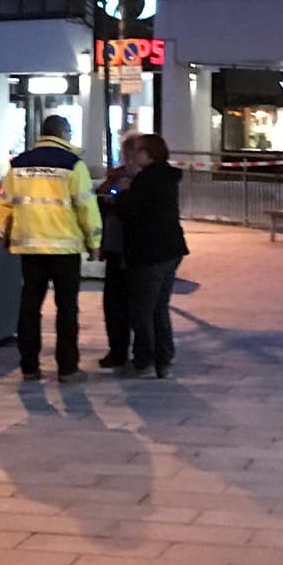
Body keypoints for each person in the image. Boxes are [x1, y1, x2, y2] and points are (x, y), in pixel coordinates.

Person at [0, 115, 101, 383]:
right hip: (64, 249)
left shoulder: (18, 165)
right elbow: (86, 207)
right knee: (67, 308)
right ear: (63, 133)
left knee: (29, 307)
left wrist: (6, 235)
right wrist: (94, 243)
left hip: (29, 248)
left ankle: (29, 367)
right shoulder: (73, 165)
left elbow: (5, 205)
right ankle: (67, 368)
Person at [115, 134, 189, 380]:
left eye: (137, 152)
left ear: (149, 154)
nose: (134, 156)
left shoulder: (145, 181)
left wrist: (122, 194)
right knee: (159, 307)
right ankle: (164, 358)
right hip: (171, 249)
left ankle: (144, 359)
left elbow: (130, 212)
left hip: (149, 252)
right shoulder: (166, 177)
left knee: (142, 310)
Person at [96, 135, 140, 369]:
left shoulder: (148, 178)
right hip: (115, 246)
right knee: (114, 303)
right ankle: (118, 350)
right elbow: (100, 197)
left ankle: (140, 351)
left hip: (136, 248)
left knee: (136, 304)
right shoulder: (117, 174)